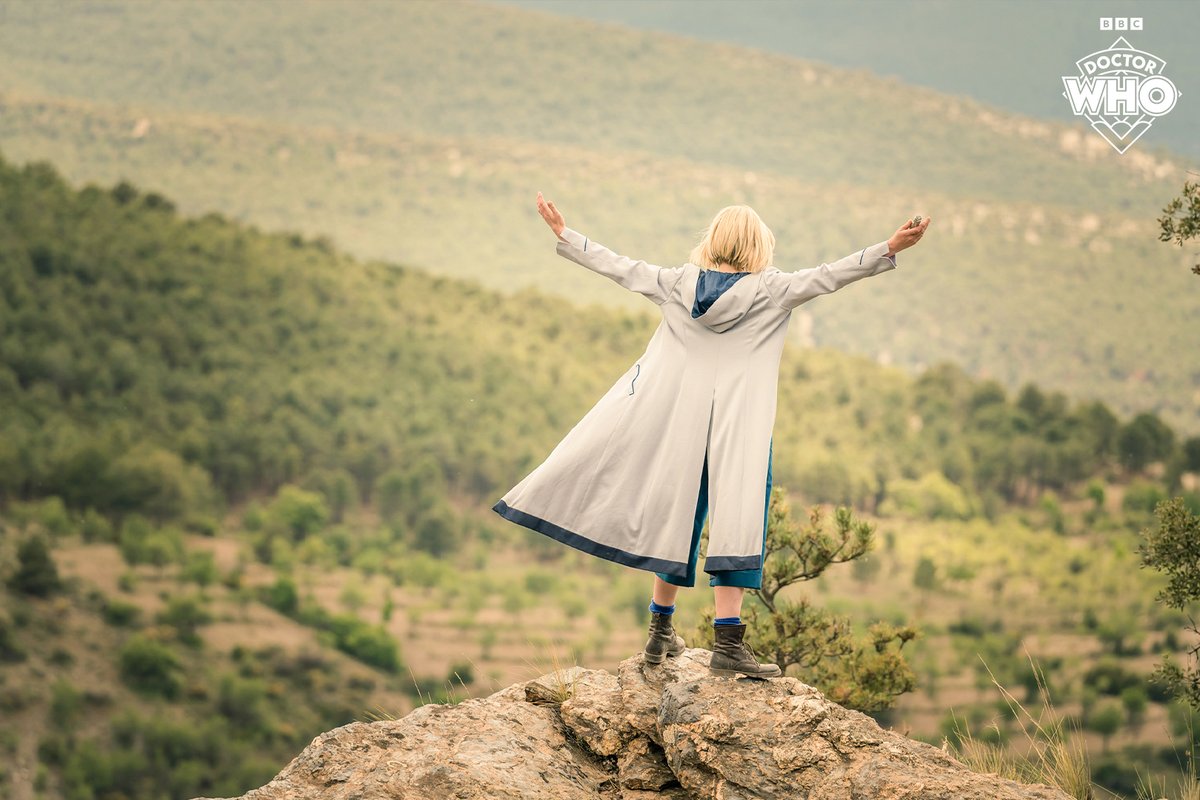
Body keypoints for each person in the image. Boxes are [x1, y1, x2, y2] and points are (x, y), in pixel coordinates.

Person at [493, 192, 930, 678]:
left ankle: (660, 632)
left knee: (676, 519)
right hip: (740, 429)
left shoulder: (676, 283)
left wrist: (565, 234)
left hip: (680, 428)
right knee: (739, 520)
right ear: (759, 245)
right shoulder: (773, 290)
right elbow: (832, 274)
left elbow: (619, 267)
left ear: (713, 240)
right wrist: (890, 246)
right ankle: (727, 643)